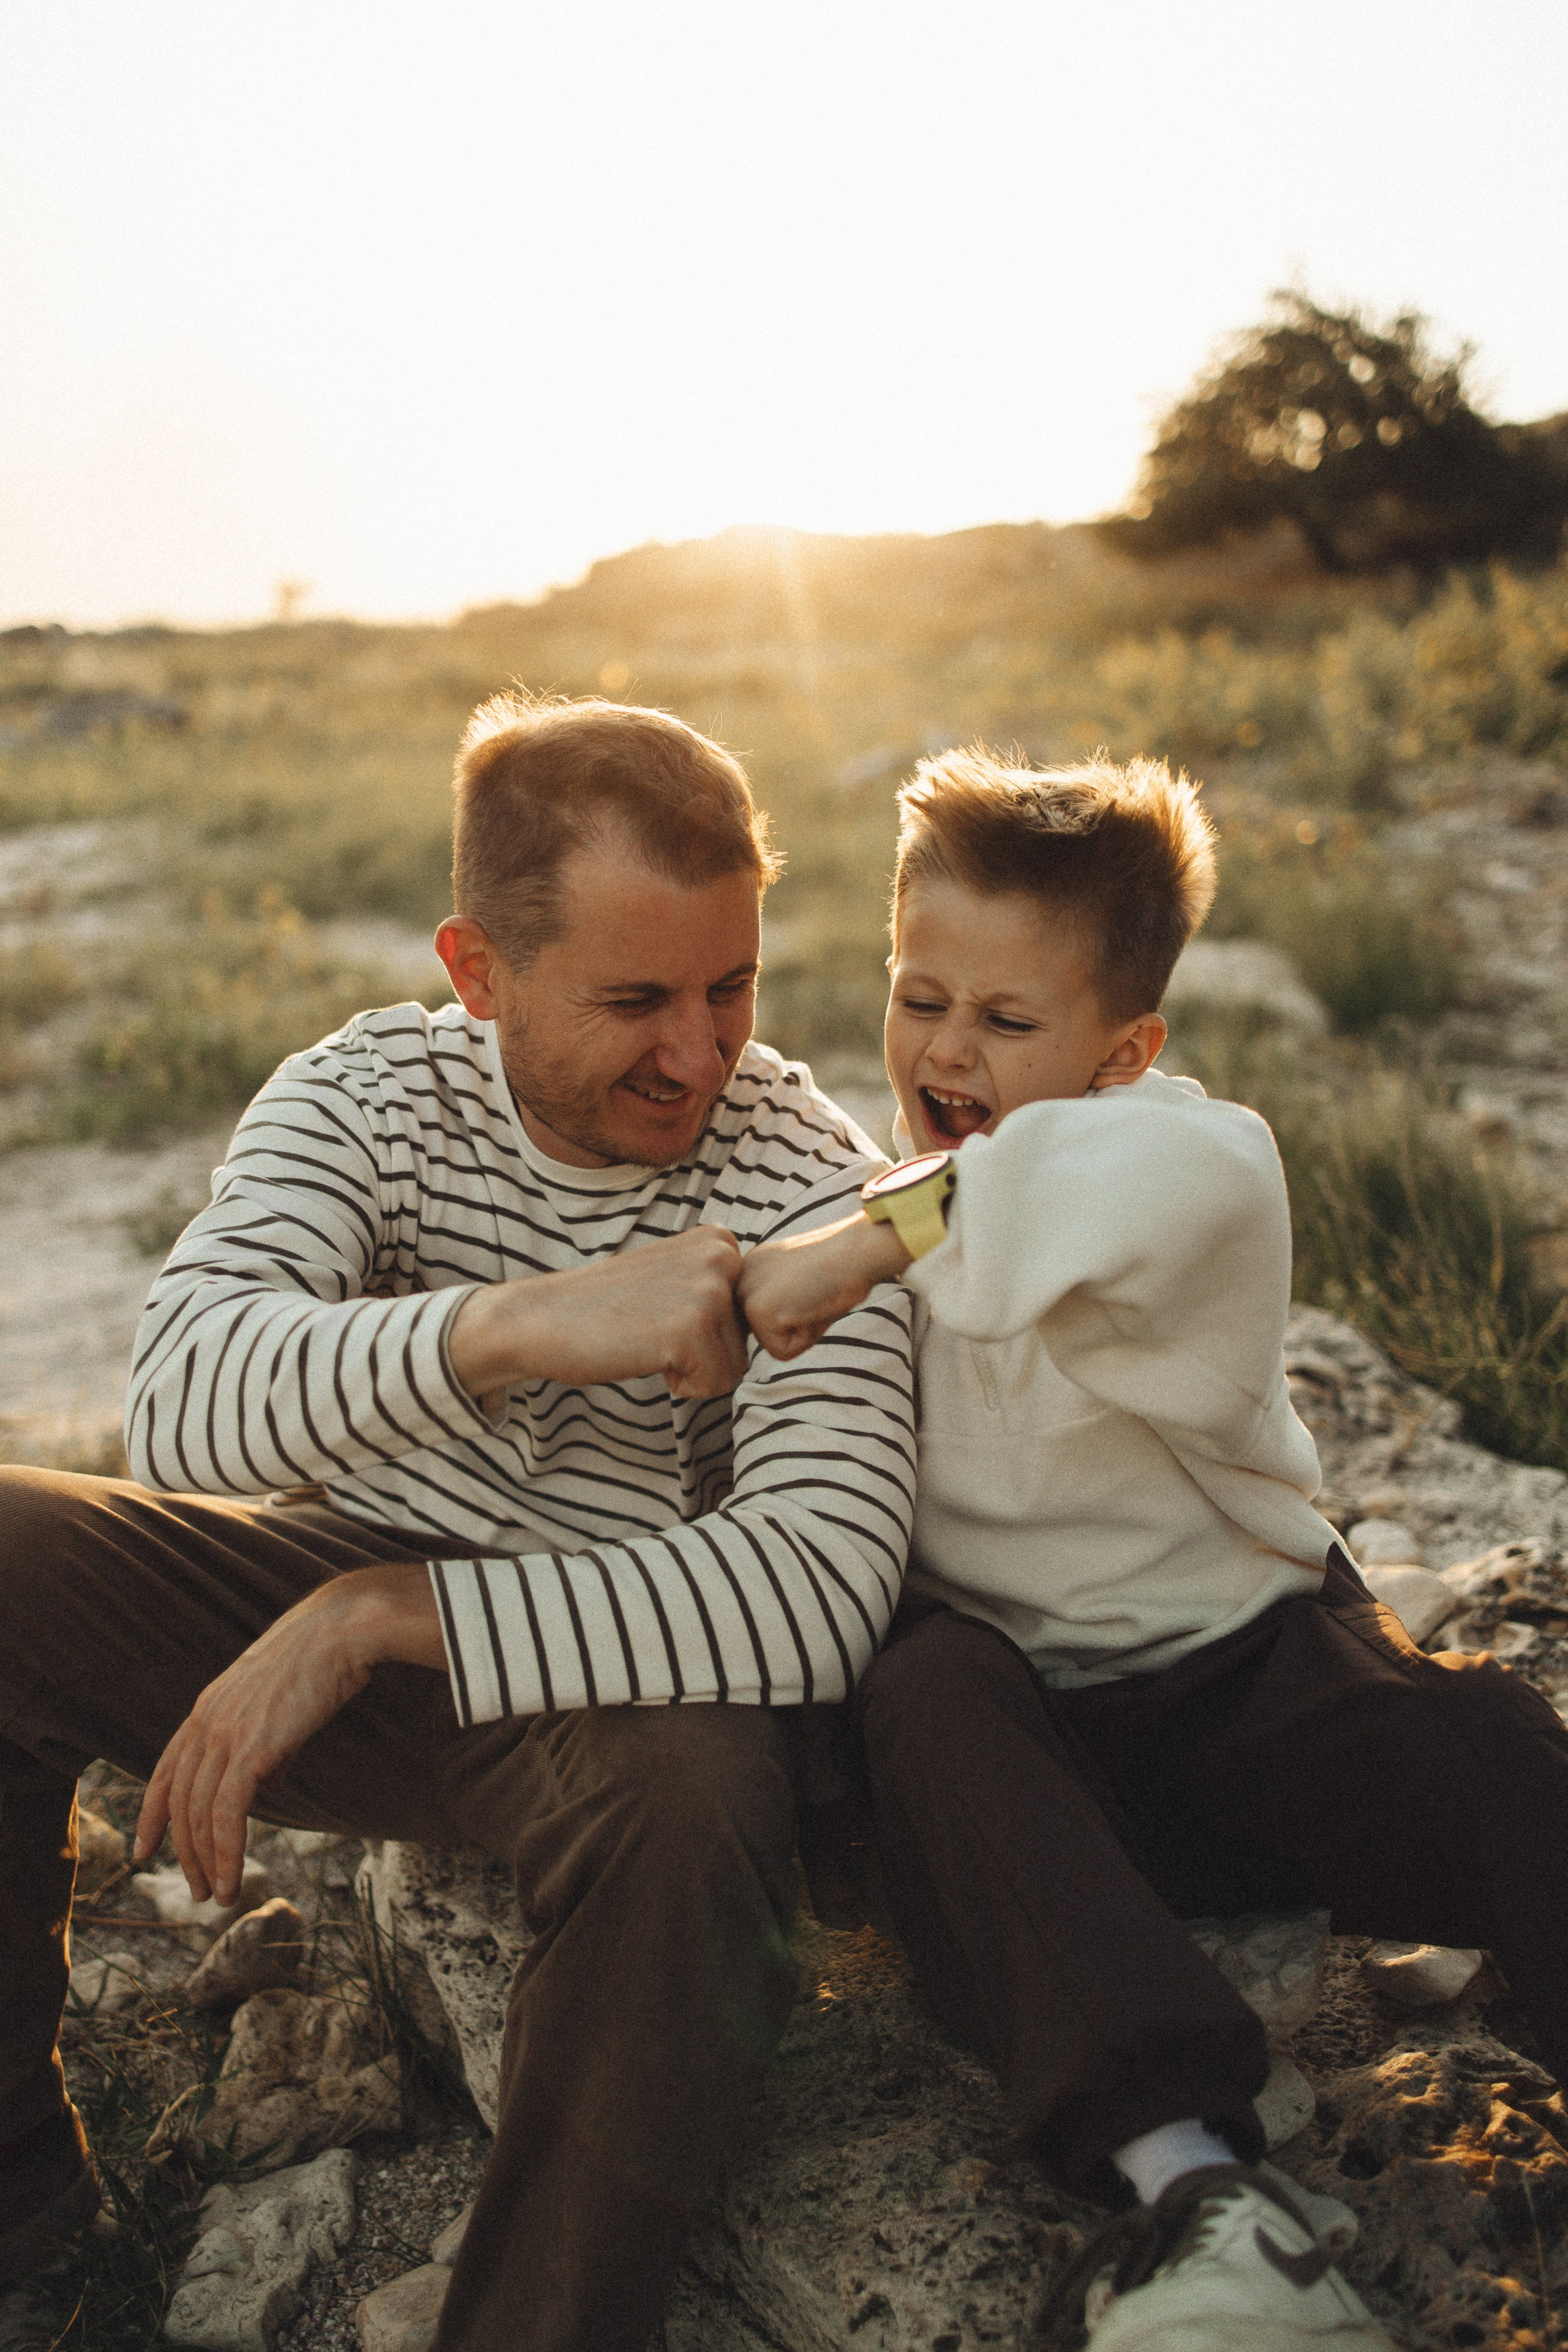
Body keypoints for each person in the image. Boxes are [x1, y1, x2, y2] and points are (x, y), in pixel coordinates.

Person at [0, 694, 915, 2352]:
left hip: (606, 1673)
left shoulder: (807, 1180)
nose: (698, 1055)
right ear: (478, 971)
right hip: (322, 1600)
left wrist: (375, 1616)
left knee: (705, 1796)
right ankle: (21, 2208)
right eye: (634, 1001)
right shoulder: (366, 1092)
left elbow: (816, 1590)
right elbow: (183, 1400)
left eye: (732, 986)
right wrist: (513, 1327)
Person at [737, 745, 1568, 2351]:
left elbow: (1059, 1188)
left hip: (1250, 1696)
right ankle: (1198, 2192)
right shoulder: (866, 1205)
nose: (946, 1048)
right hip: (1035, 1785)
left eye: (1008, 1020)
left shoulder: (1191, 1163)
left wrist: (868, 1241)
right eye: (920, 996)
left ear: (1128, 1052)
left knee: (1485, 1735)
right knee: (922, 1692)